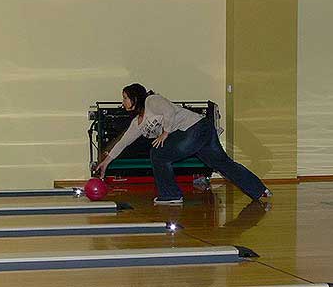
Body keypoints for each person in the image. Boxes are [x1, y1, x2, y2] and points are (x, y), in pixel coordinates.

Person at [96, 83, 273, 205]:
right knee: (222, 163)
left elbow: (169, 111)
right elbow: (123, 142)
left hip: (195, 128)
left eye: (125, 98)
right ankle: (260, 190)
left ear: (135, 97)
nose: (123, 102)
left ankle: (170, 195)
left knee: (158, 153)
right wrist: (106, 162)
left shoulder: (152, 100)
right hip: (200, 131)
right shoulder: (137, 123)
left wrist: (165, 132)